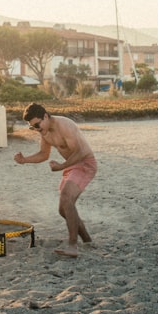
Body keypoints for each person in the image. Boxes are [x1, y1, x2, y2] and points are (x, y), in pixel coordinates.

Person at [14, 103, 97, 258]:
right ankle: (87, 240)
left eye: (37, 125)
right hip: (71, 165)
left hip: (85, 163)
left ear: (45, 116)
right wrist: (24, 160)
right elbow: (43, 154)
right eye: (33, 127)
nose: (37, 129)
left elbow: (81, 152)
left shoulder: (64, 125)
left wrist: (62, 166)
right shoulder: (44, 131)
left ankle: (72, 245)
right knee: (63, 209)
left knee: (67, 199)